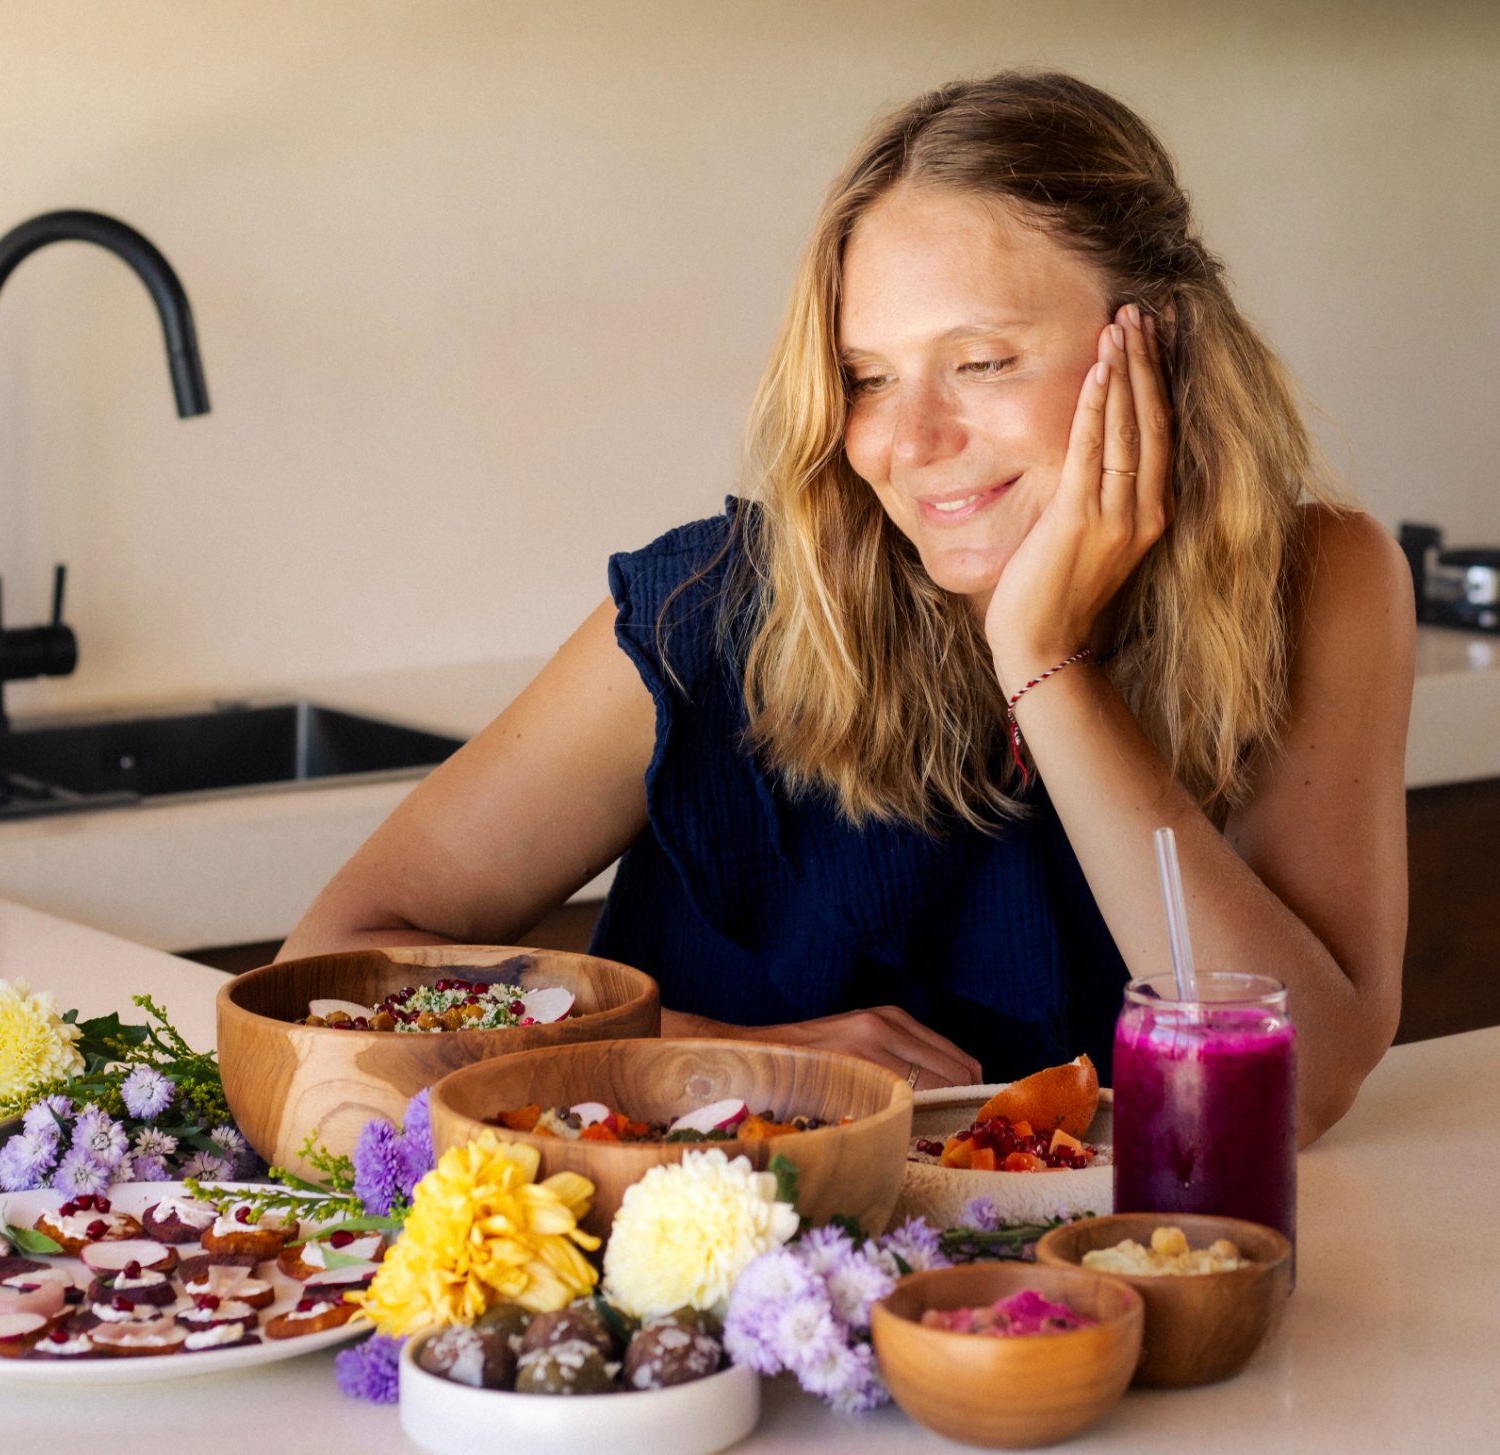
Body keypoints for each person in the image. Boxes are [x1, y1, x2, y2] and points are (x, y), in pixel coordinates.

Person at [280, 71, 1412, 1147]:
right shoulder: (712, 608)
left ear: (1154, 343)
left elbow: (1295, 1087)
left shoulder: (1319, 584)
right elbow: (335, 961)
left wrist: (1039, 660)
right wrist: (728, 1061)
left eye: (979, 362)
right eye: (866, 377)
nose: (906, 442)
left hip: (1079, 1310)